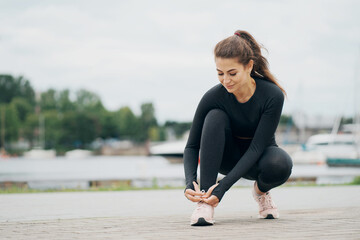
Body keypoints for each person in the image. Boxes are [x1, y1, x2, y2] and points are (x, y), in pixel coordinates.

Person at [183, 30, 293, 226]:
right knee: (214, 116)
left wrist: (223, 188)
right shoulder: (213, 97)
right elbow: (192, 146)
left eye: (232, 73)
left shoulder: (272, 95)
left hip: (258, 159)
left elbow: (257, 148)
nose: (226, 80)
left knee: (281, 163)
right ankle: (204, 202)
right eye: (220, 73)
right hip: (227, 158)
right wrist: (190, 182)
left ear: (249, 66)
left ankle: (260, 192)